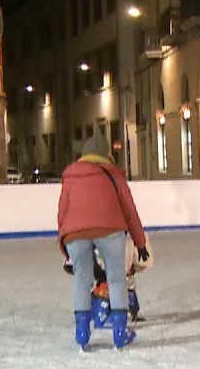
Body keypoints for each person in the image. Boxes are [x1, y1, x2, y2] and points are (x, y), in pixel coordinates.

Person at [57, 135, 149, 350]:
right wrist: (140, 242)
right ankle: (119, 333)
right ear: (106, 153)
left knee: (82, 280)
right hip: (111, 229)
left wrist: (64, 242)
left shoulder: (70, 175)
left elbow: (62, 211)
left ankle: (82, 333)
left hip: (75, 233)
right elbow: (129, 210)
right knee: (116, 278)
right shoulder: (114, 174)